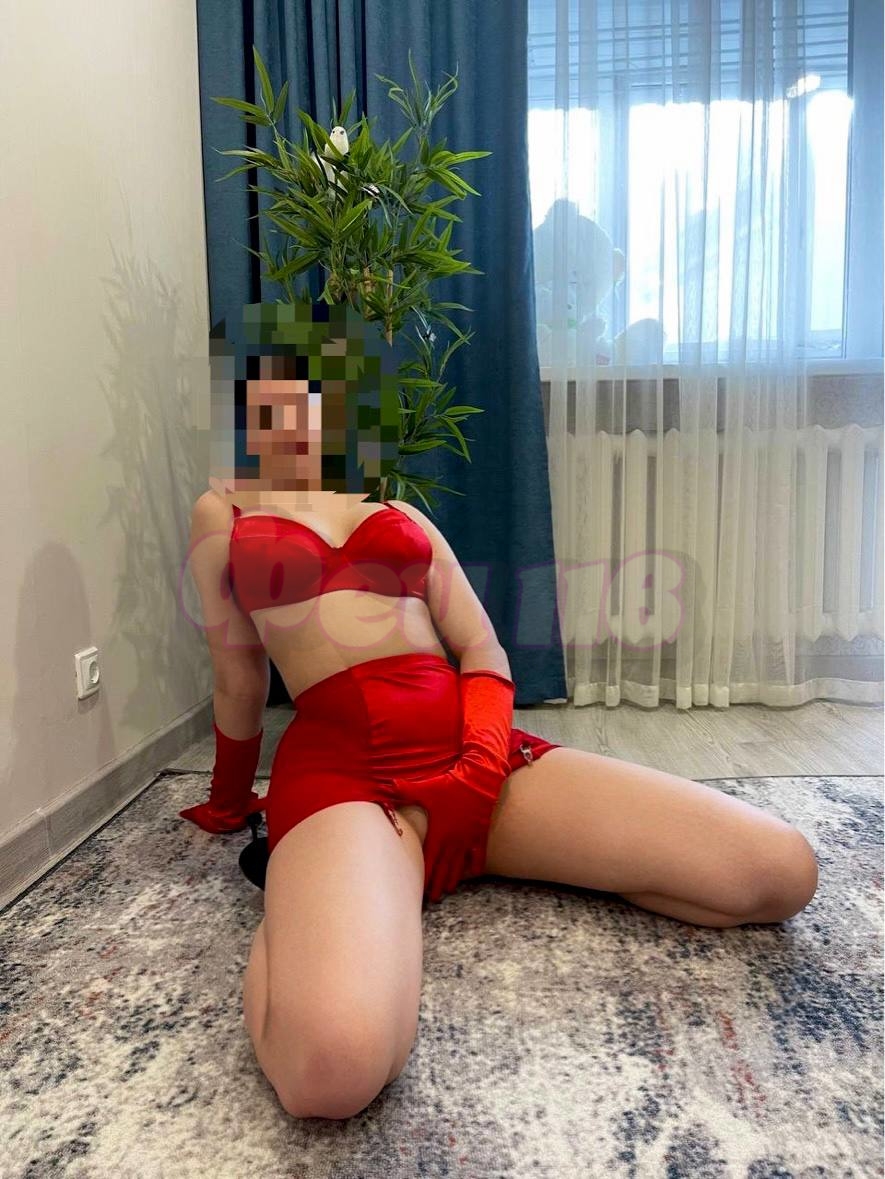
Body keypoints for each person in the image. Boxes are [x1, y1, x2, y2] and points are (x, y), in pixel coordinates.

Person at [180, 305, 819, 1122]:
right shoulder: (224, 511)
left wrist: (479, 766)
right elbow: (237, 674)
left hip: (476, 755)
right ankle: (302, 895)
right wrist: (230, 798)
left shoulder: (397, 511)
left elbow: (481, 650)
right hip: (346, 782)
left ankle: (434, 870)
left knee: (778, 871)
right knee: (330, 1074)